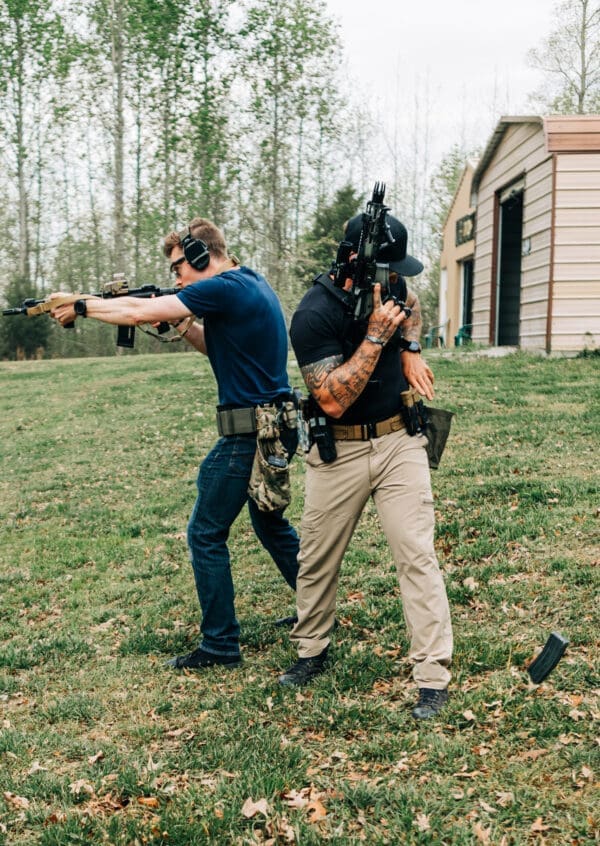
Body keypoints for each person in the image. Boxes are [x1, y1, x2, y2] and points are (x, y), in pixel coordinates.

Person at [50, 217, 299, 670]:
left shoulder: (222, 288)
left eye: (179, 266)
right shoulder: (251, 283)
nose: (177, 277)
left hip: (249, 433)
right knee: (270, 525)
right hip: (274, 427)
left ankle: (220, 645)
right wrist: (184, 326)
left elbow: (137, 312)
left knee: (205, 533)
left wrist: (81, 306)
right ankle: (317, 610)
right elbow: (221, 347)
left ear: (203, 256)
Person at [278, 212, 453, 720]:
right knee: (316, 557)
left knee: (416, 553)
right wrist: (377, 339)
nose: (397, 278)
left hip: (400, 439)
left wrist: (412, 348)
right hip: (339, 449)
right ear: (358, 264)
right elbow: (331, 400)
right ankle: (311, 651)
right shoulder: (313, 313)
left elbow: (413, 303)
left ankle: (432, 676)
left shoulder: (393, 286)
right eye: (388, 268)